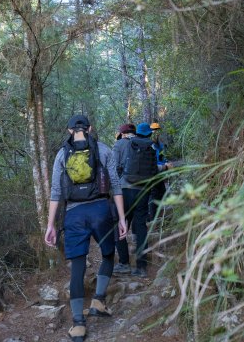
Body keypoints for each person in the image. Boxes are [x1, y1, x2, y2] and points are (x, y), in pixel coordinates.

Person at [44, 115, 127, 342]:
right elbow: (116, 186)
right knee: (109, 254)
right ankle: (99, 300)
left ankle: (78, 325)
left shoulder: (62, 155)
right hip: (101, 209)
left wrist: (50, 225)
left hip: (73, 214)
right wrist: (121, 218)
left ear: (70, 130)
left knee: (77, 267)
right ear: (90, 128)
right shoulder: (103, 150)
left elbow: (56, 192)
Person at [112, 122, 161, 277]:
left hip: (124, 189)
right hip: (143, 190)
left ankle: (124, 263)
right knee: (140, 227)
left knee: (119, 224)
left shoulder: (121, 144)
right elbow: (154, 170)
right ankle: (141, 267)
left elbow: (113, 167)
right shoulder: (151, 146)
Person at [149, 122, 170, 221]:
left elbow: (163, 157)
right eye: (154, 130)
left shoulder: (160, 145)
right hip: (152, 173)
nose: (156, 132)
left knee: (162, 193)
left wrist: (166, 164)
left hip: (160, 172)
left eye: (157, 130)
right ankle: (153, 219)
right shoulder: (148, 145)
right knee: (153, 195)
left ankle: (160, 216)